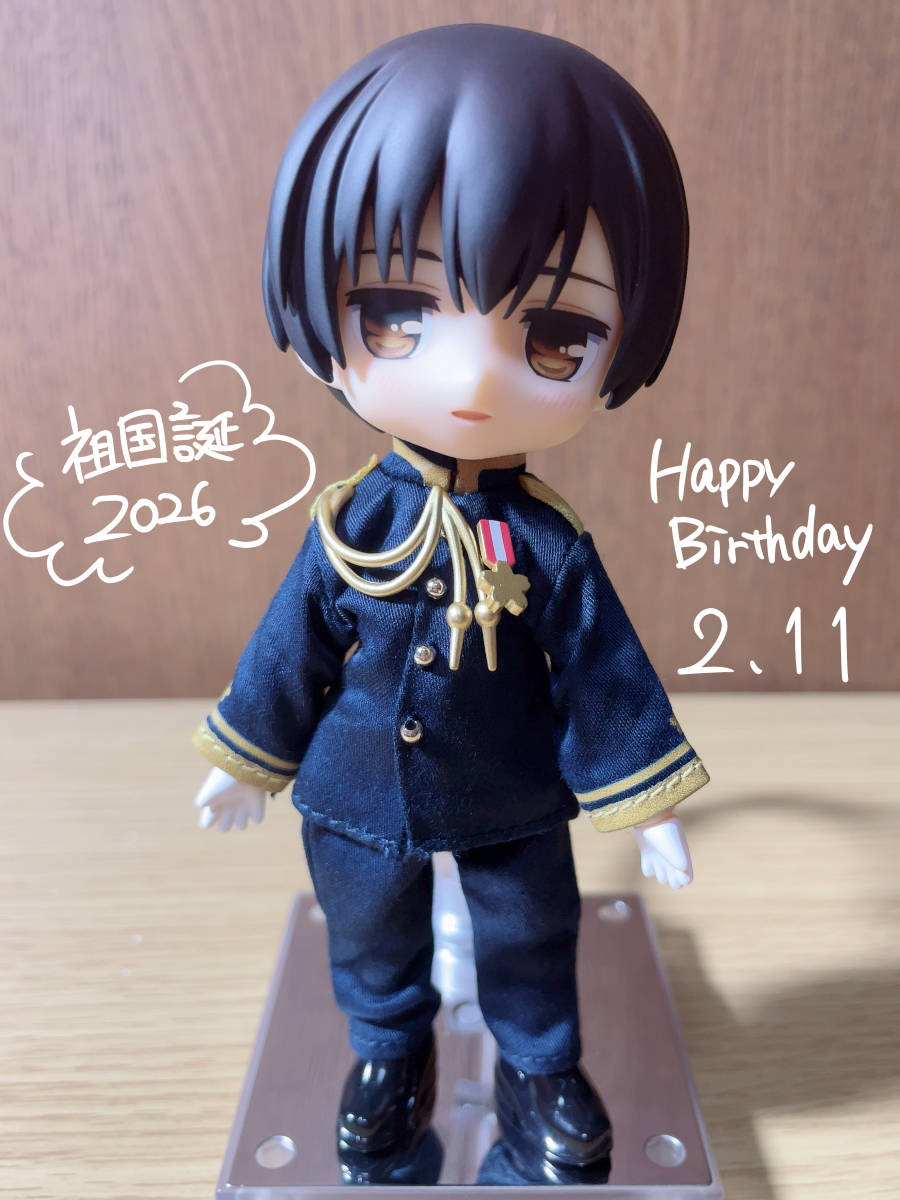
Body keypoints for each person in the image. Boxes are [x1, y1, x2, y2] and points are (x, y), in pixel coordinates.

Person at [193, 24, 709, 1186]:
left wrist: (647, 803)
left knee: (531, 930)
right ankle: (387, 1054)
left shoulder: (549, 545)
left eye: (557, 334)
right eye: (396, 311)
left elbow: (604, 673)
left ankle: (539, 1066)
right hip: (356, 788)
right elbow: (290, 649)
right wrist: (247, 760)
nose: (473, 378)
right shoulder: (351, 526)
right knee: (367, 929)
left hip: (511, 791)